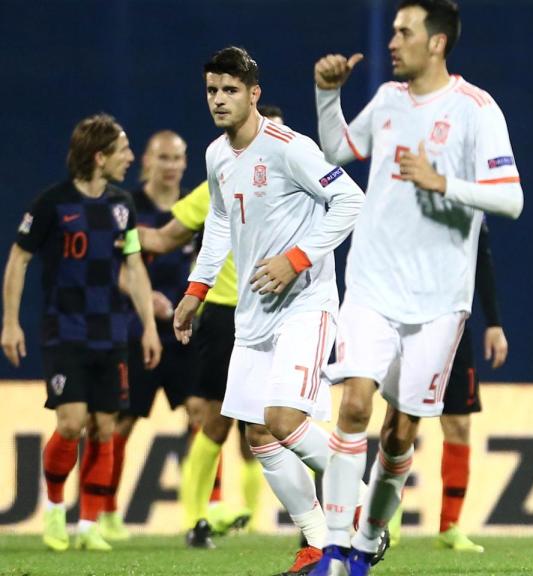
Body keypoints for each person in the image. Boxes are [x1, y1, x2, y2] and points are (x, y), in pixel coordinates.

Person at [310, 0, 524, 573]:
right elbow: (338, 151)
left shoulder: (477, 110)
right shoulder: (385, 102)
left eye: (405, 32)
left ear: (437, 43)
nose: (392, 41)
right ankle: (334, 548)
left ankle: (368, 539)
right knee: (353, 404)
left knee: (399, 432)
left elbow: (511, 198)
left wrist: (443, 181)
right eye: (395, 30)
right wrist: (327, 95)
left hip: (439, 303)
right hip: (372, 285)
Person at [172, 46, 364, 575]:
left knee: (283, 418)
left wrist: (295, 258)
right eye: (212, 90)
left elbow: (350, 200)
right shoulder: (216, 156)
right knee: (258, 432)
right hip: (254, 314)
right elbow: (217, 221)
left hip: (305, 302)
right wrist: (197, 289)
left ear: (254, 94)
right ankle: (322, 545)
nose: (219, 99)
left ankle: (368, 508)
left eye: (231, 90)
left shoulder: (288, 148)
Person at [1, 114, 162, 552]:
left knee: (105, 427)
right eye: (124, 150)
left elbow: (132, 265)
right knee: (72, 424)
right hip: (64, 330)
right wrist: (11, 322)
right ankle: (54, 510)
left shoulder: (122, 205)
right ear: (99, 156)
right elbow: (19, 259)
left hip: (111, 333)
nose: (130, 157)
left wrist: (148, 326)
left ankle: (89, 526)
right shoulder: (52, 204)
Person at [141, 104, 286, 548]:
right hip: (225, 315)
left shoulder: (299, 188)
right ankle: (196, 520)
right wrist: (116, 231)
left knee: (274, 423)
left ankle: (257, 516)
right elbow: (165, 237)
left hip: (281, 316)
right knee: (216, 423)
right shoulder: (222, 180)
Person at [99, 130, 199, 543]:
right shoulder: (128, 207)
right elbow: (112, 265)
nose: (171, 165)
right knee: (122, 422)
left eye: (177, 157)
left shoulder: (194, 208)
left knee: (203, 415)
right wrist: (145, 299)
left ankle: (202, 513)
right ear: (147, 161)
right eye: (163, 157)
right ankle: (104, 511)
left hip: (186, 332)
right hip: (137, 331)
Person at [387, 221, 509, 553]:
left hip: (454, 323)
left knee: (459, 423)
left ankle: (449, 526)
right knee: (400, 421)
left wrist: (494, 323)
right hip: (410, 319)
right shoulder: (408, 190)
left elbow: (481, 260)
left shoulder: (470, 202)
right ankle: (387, 515)